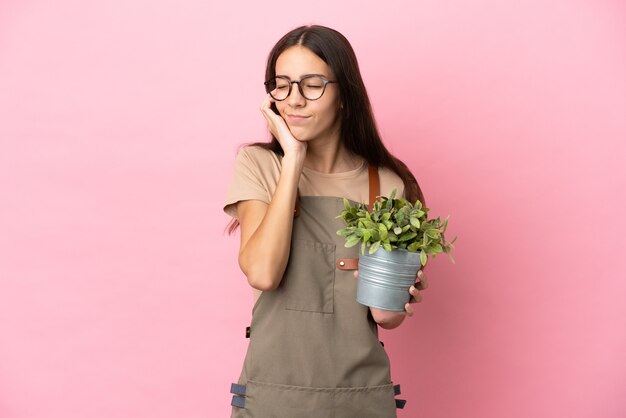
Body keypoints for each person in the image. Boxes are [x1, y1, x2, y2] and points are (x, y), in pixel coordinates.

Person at [224, 25, 429, 418]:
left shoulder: (386, 183)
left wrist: (400, 291)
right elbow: (263, 273)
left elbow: (387, 318)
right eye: (281, 85)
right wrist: (293, 160)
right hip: (272, 399)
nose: (294, 100)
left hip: (360, 400)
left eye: (312, 84)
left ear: (344, 96)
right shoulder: (259, 165)